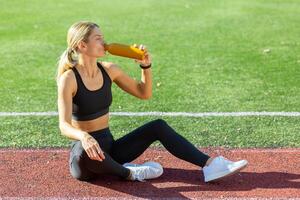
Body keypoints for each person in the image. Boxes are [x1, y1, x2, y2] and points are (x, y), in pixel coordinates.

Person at [57, 21, 248, 183]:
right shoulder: (69, 79)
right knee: (83, 149)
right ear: (82, 45)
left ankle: (211, 165)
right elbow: (64, 126)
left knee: (158, 126)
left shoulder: (109, 69)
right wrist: (84, 136)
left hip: (111, 150)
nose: (104, 42)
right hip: (84, 161)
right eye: (98, 38)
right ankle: (130, 173)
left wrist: (145, 66)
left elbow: (144, 93)